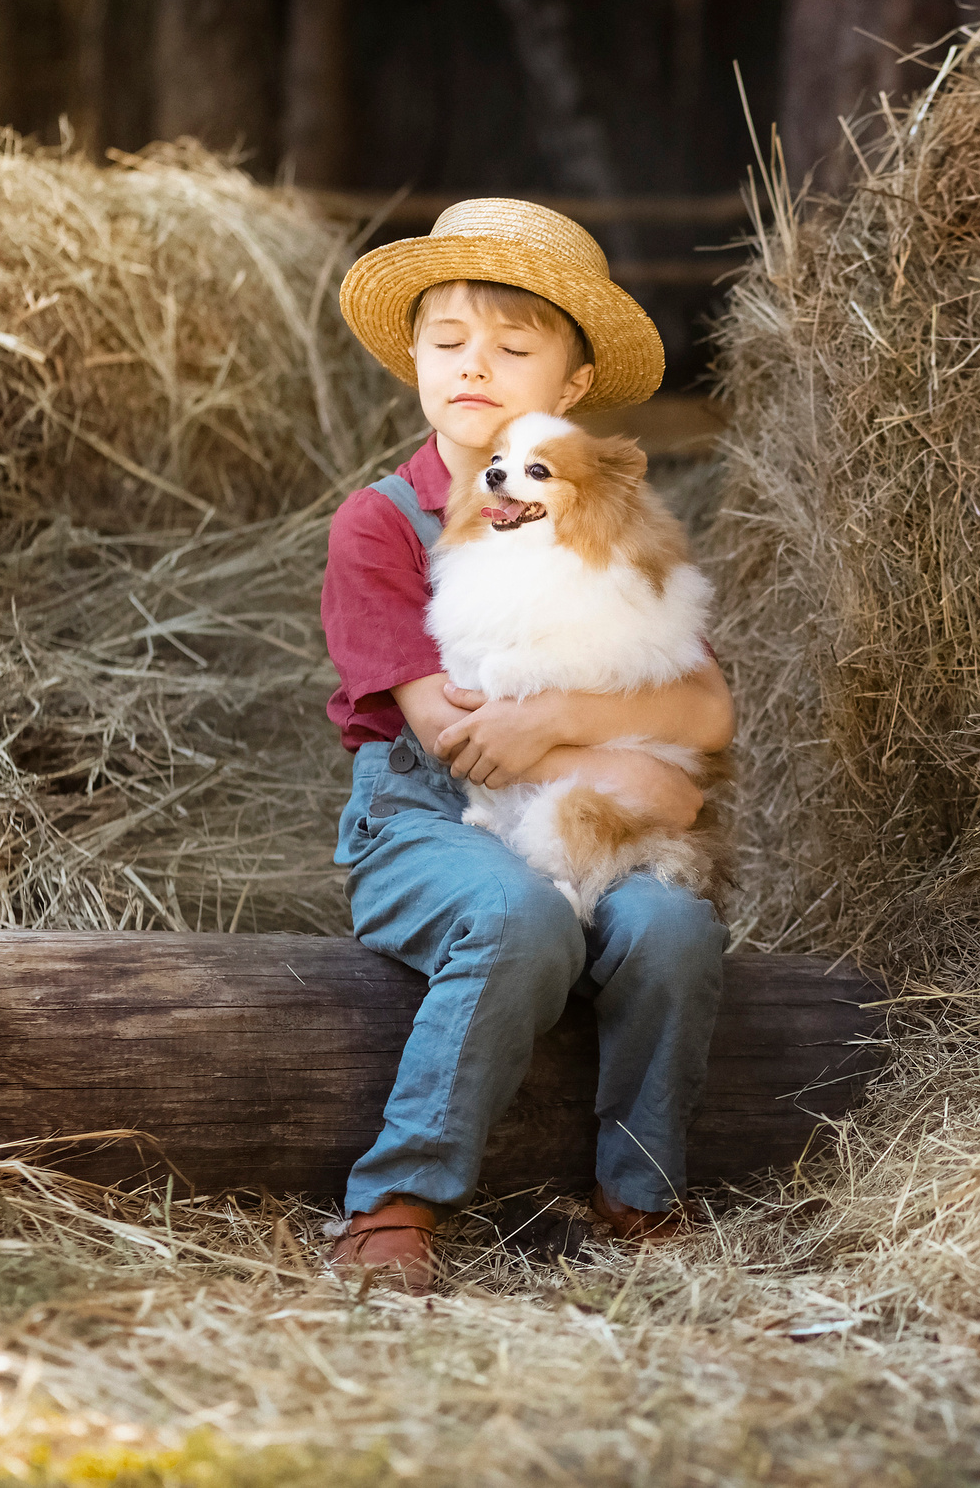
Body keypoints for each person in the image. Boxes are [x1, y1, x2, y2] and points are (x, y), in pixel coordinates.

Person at [318, 198, 732, 1292]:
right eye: (447, 343)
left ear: (573, 384)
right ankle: (397, 1194)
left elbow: (705, 714)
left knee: (673, 928)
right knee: (519, 916)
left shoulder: (601, 525)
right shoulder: (384, 524)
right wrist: (620, 764)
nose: (474, 368)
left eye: (512, 348)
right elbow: (455, 734)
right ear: (413, 356)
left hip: (586, 822)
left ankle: (636, 1191)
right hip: (424, 825)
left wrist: (574, 732)